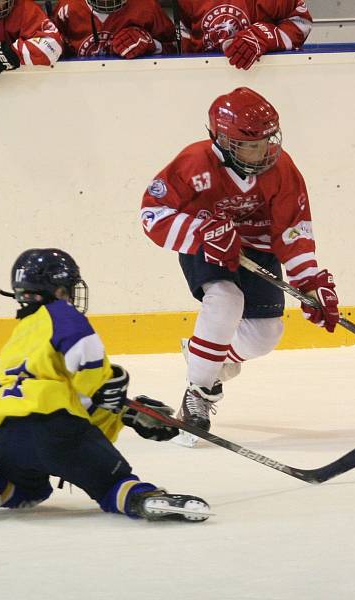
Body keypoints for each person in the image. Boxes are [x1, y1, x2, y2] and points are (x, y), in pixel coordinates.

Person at [139, 87, 340, 446]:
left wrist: (309, 281)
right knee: (225, 298)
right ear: (223, 140)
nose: (262, 151)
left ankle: (205, 356)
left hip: (257, 247)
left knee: (265, 336)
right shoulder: (194, 162)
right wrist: (201, 232)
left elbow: (293, 227)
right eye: (250, 144)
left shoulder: (282, 169)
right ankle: (198, 393)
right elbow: (154, 214)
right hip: (207, 240)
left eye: (266, 141)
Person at [0, 248, 211, 523]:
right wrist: (116, 397)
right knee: (112, 484)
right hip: (53, 428)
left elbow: (66, 395)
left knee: (30, 489)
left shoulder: (20, 334)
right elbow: (90, 378)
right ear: (59, 289)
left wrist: (126, 413)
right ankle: (144, 499)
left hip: (4, 436)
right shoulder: (62, 314)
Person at [175, 0, 312, 70]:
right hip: (208, 79)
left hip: (261, 76)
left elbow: (301, 22)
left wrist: (264, 35)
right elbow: (186, 36)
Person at [53, 0, 176, 59]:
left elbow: (174, 49)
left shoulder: (146, 7)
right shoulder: (67, 9)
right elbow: (55, 51)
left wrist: (153, 45)